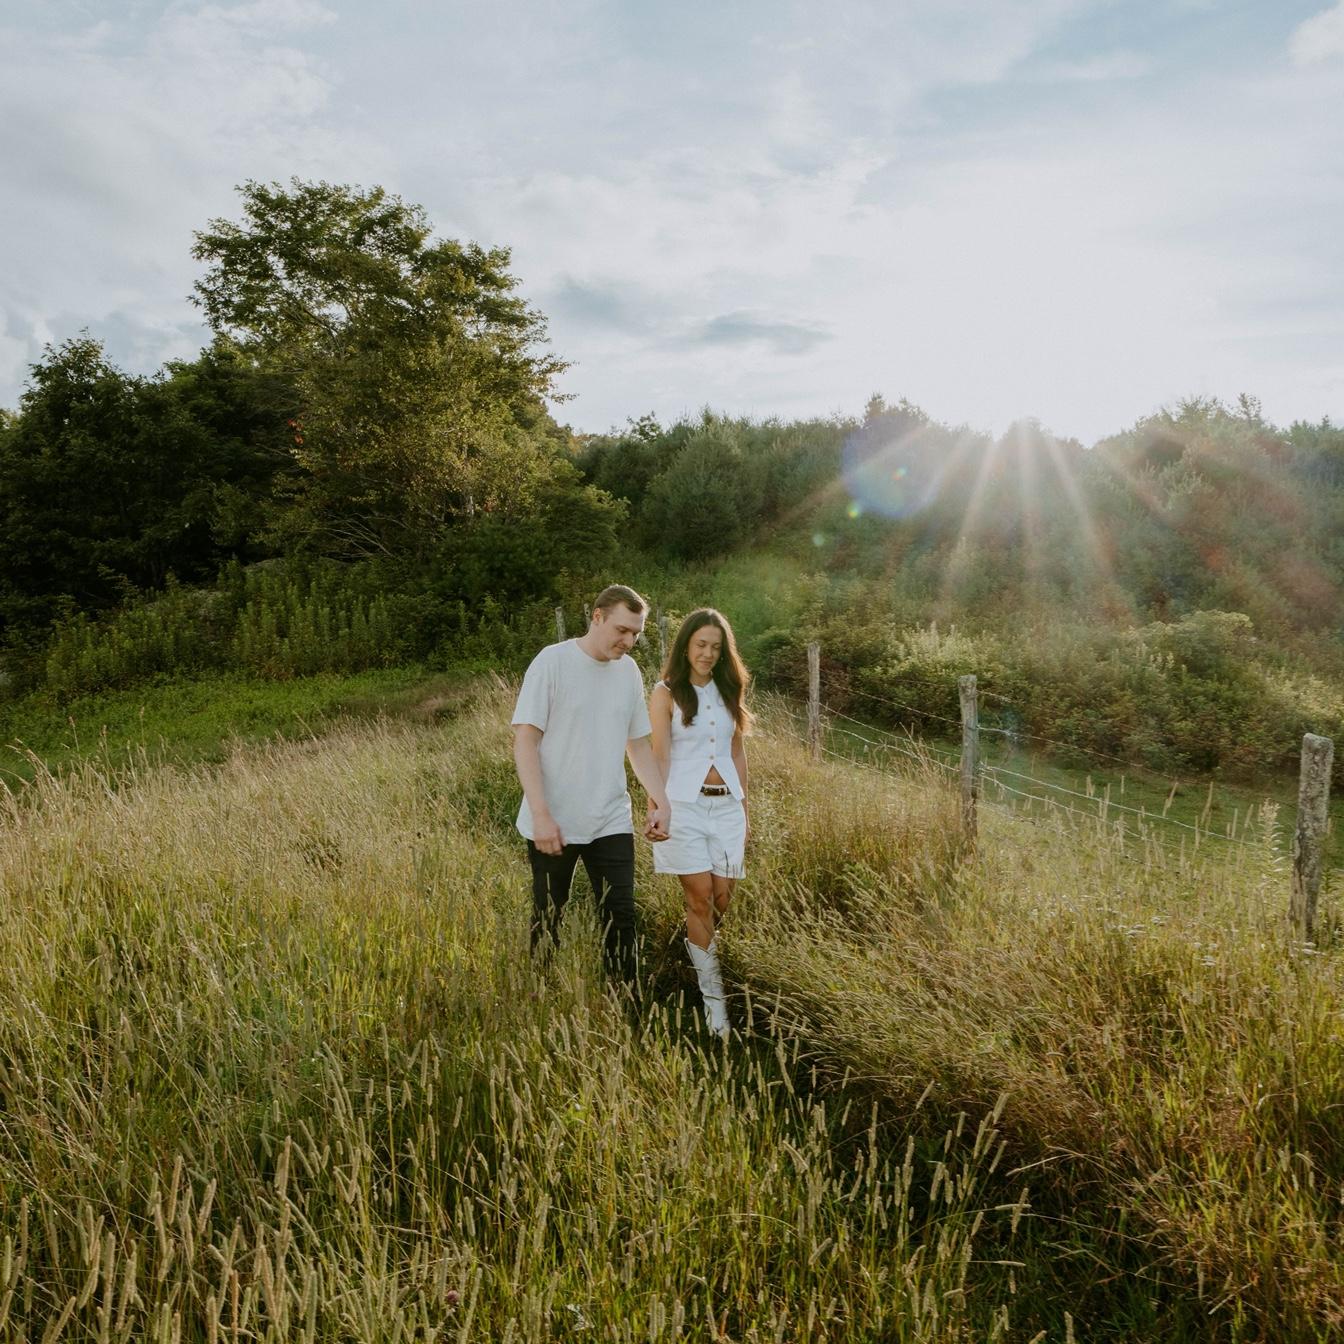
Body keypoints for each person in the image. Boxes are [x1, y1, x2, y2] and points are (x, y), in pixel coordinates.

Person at [512, 584, 671, 992]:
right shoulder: (552, 662)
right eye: (622, 630)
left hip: (610, 818)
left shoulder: (628, 672)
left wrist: (661, 800)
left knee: (622, 917)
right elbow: (525, 740)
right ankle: (541, 999)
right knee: (548, 916)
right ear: (597, 617)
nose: (629, 641)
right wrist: (541, 814)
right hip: (554, 819)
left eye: (636, 633)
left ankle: (624, 1005)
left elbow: (637, 744)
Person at [648, 608, 752, 1038]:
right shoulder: (666, 692)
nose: (707, 654)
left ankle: (696, 949)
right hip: (683, 807)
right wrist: (657, 807)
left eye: (715, 647)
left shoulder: (729, 689)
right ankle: (715, 1003)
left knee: (722, 899)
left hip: (727, 807)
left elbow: (737, 752)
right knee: (700, 898)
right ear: (686, 646)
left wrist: (745, 809)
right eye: (700, 645)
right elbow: (659, 757)